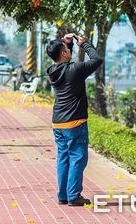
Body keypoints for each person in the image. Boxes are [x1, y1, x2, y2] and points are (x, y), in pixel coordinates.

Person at [46, 33, 102, 206]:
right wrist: (84, 44)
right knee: (78, 158)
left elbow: (64, 63)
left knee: (63, 158)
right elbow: (96, 60)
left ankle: (63, 195)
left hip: (58, 122)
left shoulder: (52, 71)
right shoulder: (75, 70)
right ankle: (73, 196)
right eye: (65, 50)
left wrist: (66, 44)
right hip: (74, 123)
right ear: (63, 53)